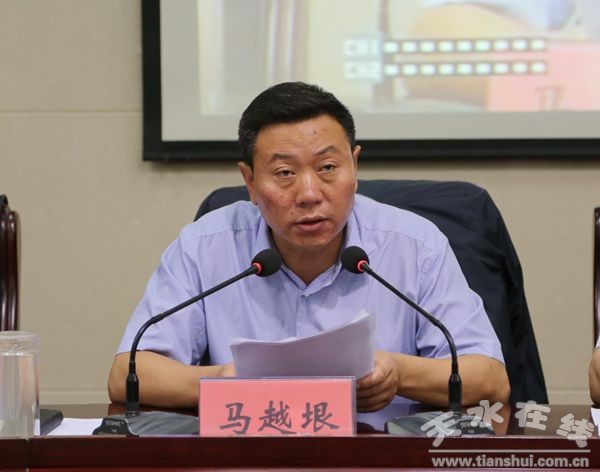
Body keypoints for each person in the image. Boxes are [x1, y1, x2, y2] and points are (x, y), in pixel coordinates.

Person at [108, 82, 510, 412]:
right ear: (250, 182)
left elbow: (490, 379)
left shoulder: (415, 245)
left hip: (381, 462)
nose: (309, 193)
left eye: (327, 168)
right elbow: (128, 375)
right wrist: (222, 380)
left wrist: (397, 373)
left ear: (355, 166)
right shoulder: (204, 247)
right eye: (284, 173)